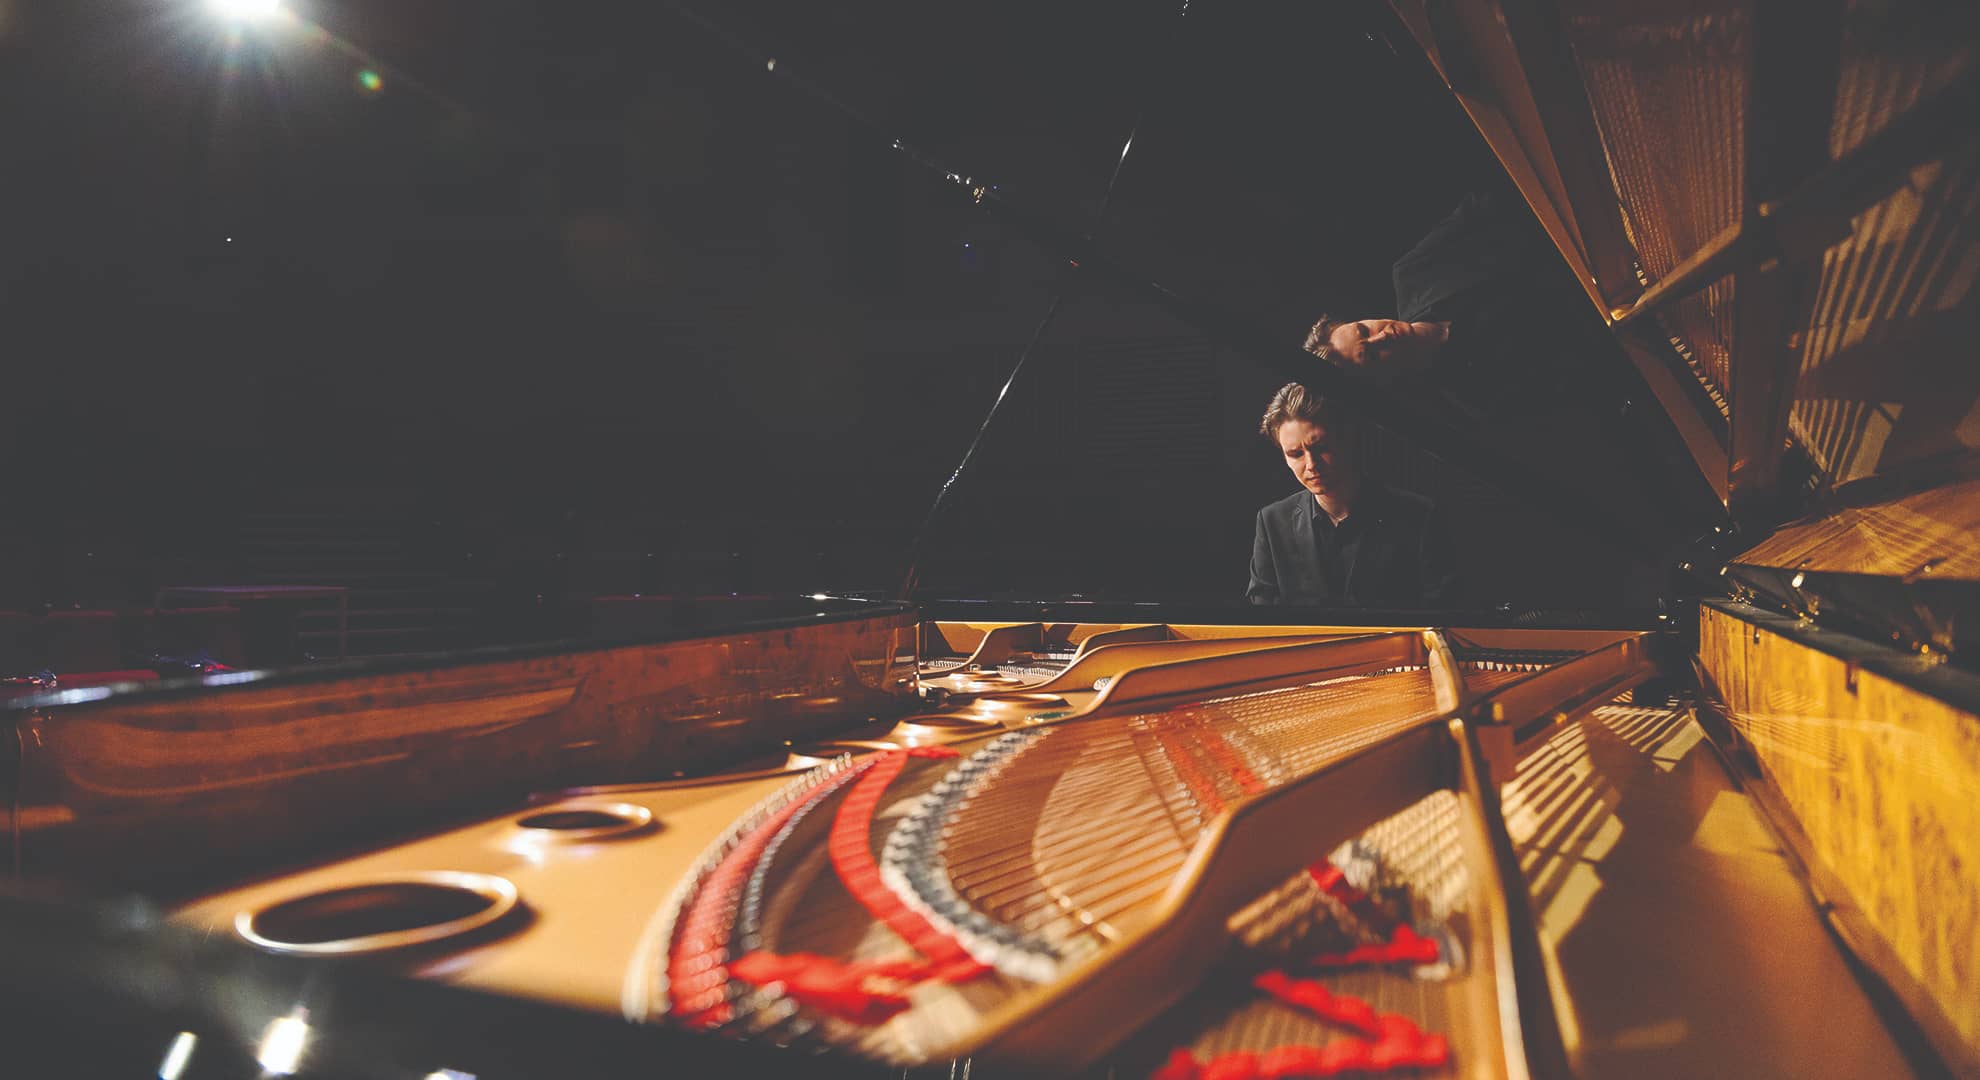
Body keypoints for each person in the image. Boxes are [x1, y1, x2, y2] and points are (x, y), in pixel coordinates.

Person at [1302, 190, 1588, 422]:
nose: (1383, 335)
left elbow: (1484, 205)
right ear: (1382, 382)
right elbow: (1577, 364)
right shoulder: (1477, 398)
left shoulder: (1410, 273)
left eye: (1365, 330)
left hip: (1575, 218)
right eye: (1372, 355)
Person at [1247, 381, 1459, 607]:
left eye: (1321, 447)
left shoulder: (1420, 517)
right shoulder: (1271, 522)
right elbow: (1260, 613)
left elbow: (1444, 609)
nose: (1311, 465)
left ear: (1347, 437)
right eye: (1295, 454)